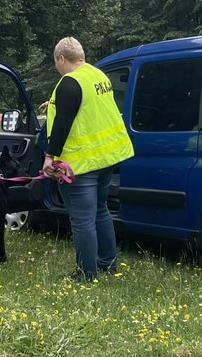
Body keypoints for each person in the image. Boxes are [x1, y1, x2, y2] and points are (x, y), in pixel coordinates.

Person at [42, 37, 135, 281]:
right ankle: (108, 263)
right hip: (105, 159)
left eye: (56, 62)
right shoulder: (98, 76)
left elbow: (63, 123)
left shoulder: (69, 82)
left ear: (61, 58)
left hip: (80, 163)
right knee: (101, 211)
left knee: (82, 220)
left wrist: (49, 156)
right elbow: (86, 106)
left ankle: (86, 273)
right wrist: (53, 104)